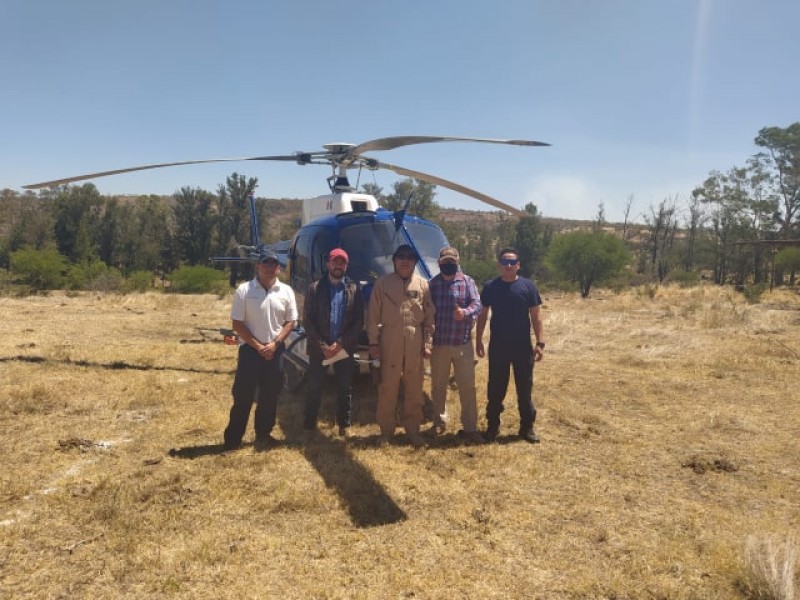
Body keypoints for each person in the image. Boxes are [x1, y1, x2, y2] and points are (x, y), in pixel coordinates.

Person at [223, 249, 298, 450]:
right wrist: (258, 346)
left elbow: (291, 321)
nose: (269, 268)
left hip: (275, 351)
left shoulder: (286, 291)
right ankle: (233, 439)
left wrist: (275, 343)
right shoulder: (244, 290)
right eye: (265, 263)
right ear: (258, 266)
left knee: (270, 395)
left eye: (273, 264)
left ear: (278, 268)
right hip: (250, 351)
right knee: (243, 395)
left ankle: (263, 435)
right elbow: (237, 324)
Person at [367, 244, 435, 447]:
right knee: (388, 387)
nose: (405, 261)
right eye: (401, 257)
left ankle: (413, 431)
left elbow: (429, 317)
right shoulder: (383, 284)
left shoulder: (423, 285)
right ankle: (386, 432)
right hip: (390, 339)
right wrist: (373, 342)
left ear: (415, 262)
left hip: (415, 341)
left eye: (409, 258)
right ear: (394, 261)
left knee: (415, 388)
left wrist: (428, 343)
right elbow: (373, 316)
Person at [475, 247, 545, 444]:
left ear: (518, 265)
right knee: (495, 388)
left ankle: (526, 428)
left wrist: (540, 342)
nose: (508, 265)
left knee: (524, 388)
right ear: (499, 265)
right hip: (498, 346)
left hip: (522, 347)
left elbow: (536, 316)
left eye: (512, 262)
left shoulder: (528, 286)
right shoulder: (491, 287)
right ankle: (492, 427)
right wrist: (478, 339)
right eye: (505, 262)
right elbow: (482, 314)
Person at [303, 248, 364, 439]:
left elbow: (358, 321)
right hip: (319, 349)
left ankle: (344, 426)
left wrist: (340, 343)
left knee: (345, 388)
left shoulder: (354, 289)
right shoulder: (314, 288)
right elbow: (308, 321)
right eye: (335, 262)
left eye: (342, 262)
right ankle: (309, 427)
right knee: (314, 388)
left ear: (346, 265)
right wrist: (323, 346)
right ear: (328, 264)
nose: (338, 265)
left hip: (344, 349)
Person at [428, 247, 484, 444]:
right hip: (439, 344)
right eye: (445, 261)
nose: (449, 264)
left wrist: (465, 312)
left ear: (458, 262)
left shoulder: (468, 282)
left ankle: (470, 427)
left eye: (452, 261)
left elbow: (477, 304)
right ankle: (438, 422)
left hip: (462, 343)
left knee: (467, 387)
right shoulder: (432, 284)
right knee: (438, 386)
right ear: (439, 263)